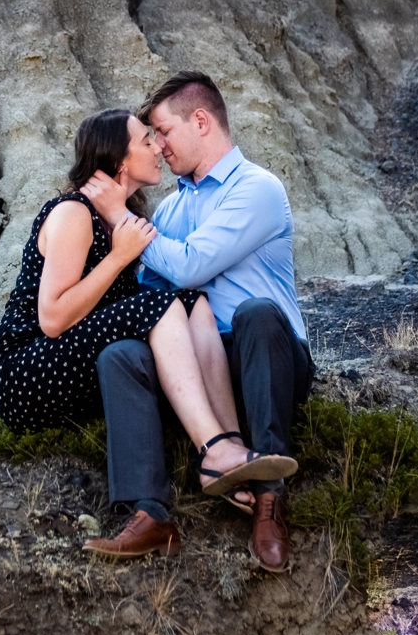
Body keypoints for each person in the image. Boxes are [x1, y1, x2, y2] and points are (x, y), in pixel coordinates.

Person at [0, 108, 296, 559]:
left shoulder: (124, 218)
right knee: (161, 304)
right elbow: (51, 319)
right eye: (146, 140)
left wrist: (126, 239)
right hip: (26, 371)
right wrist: (117, 257)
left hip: (74, 366)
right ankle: (212, 449)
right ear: (120, 160)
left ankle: (230, 451)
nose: (157, 146)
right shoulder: (75, 212)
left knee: (195, 302)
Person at [81, 71, 315, 572]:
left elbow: (190, 266)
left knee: (256, 313)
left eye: (163, 131)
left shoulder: (258, 189)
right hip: (199, 360)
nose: (158, 145)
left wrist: (120, 216)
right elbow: (151, 288)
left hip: (269, 357)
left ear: (201, 121)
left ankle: (269, 501)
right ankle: (148, 514)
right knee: (122, 355)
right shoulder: (169, 210)